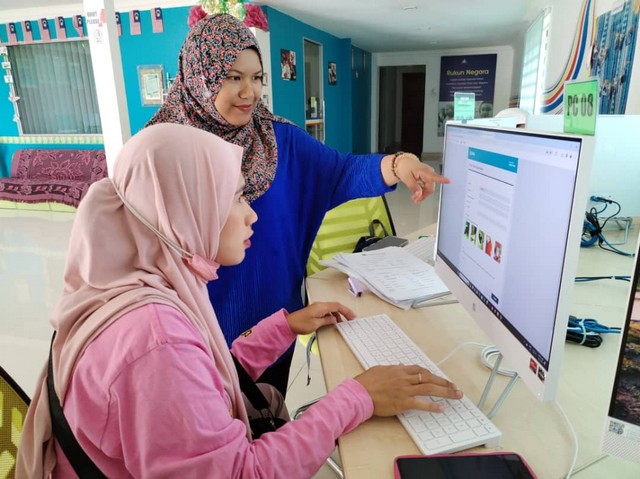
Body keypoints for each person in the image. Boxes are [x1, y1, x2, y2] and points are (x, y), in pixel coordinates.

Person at [16, 124, 463, 478]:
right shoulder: (155, 341)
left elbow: (204, 381)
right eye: (234, 198)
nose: (252, 214)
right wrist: (358, 397)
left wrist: (283, 327)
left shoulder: (143, 287)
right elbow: (243, 473)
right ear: (183, 211)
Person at [147, 13, 450, 394]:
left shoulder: (276, 140)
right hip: (196, 334)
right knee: (217, 425)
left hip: (277, 324)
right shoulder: (163, 152)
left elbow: (340, 171)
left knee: (268, 414)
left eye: (257, 77)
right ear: (200, 76)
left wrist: (397, 164)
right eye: (233, 77)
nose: (249, 92)